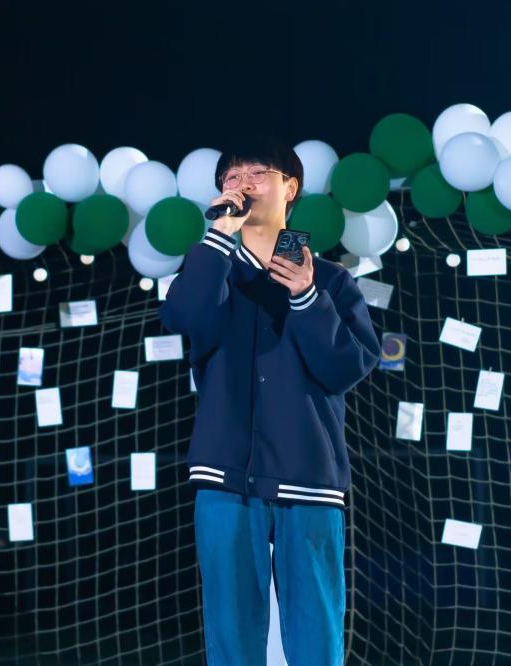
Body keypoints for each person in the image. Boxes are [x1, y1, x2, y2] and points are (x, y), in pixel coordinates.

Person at [159, 139, 381, 665]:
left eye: (257, 172)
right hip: (225, 474)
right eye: (232, 177)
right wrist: (218, 237)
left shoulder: (330, 280)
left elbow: (346, 368)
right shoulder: (212, 270)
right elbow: (183, 318)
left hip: (309, 477)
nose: (243, 184)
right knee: (231, 635)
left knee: (315, 637)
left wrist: (306, 297)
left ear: (290, 188)